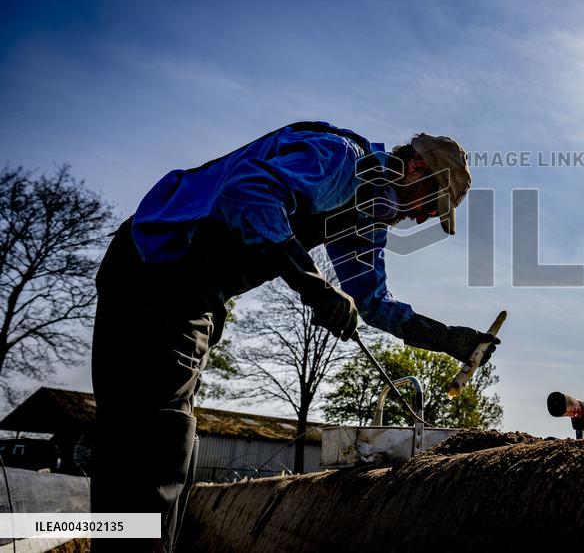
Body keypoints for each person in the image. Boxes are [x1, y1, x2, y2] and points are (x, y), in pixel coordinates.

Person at [90, 121, 499, 552]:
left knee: (153, 439)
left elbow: (373, 301)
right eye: (430, 204)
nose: (420, 217)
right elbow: (249, 190)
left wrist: (451, 339)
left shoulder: (364, 215)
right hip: (158, 266)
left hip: (195, 294)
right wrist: (314, 286)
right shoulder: (340, 158)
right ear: (415, 167)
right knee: (156, 439)